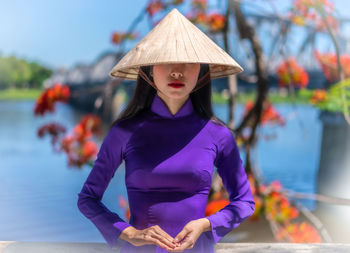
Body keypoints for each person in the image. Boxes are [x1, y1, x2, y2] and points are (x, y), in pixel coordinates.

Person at [77, 8, 255, 253]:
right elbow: (88, 198)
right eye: (165, 61)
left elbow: (244, 203)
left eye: (188, 62)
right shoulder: (125, 131)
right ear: (148, 70)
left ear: (202, 72)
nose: (177, 71)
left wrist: (205, 224)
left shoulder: (218, 134)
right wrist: (130, 233)